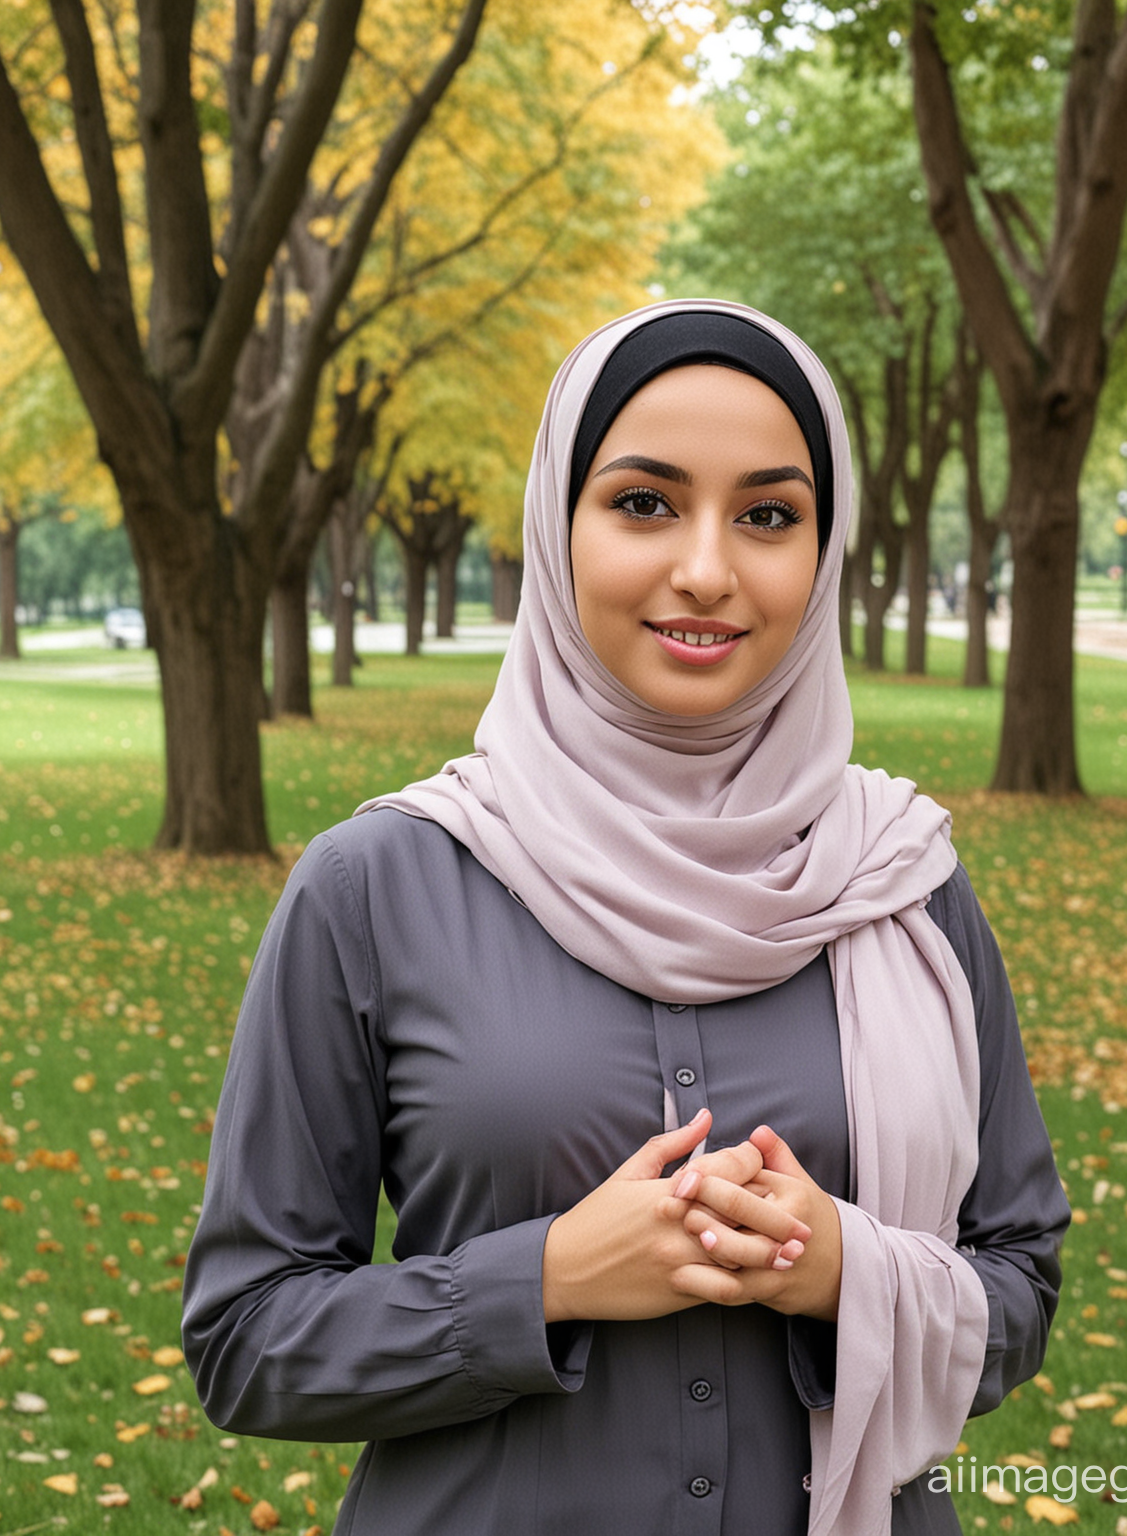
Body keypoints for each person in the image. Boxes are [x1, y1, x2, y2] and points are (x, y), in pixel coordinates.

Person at [181, 300, 1069, 1536]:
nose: (706, 568)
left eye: (768, 514)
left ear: (823, 548)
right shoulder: (377, 884)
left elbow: (1019, 1280)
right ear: (559, 525)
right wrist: (541, 1282)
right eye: (645, 502)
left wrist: (844, 1276)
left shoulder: (902, 878)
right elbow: (247, 1336)